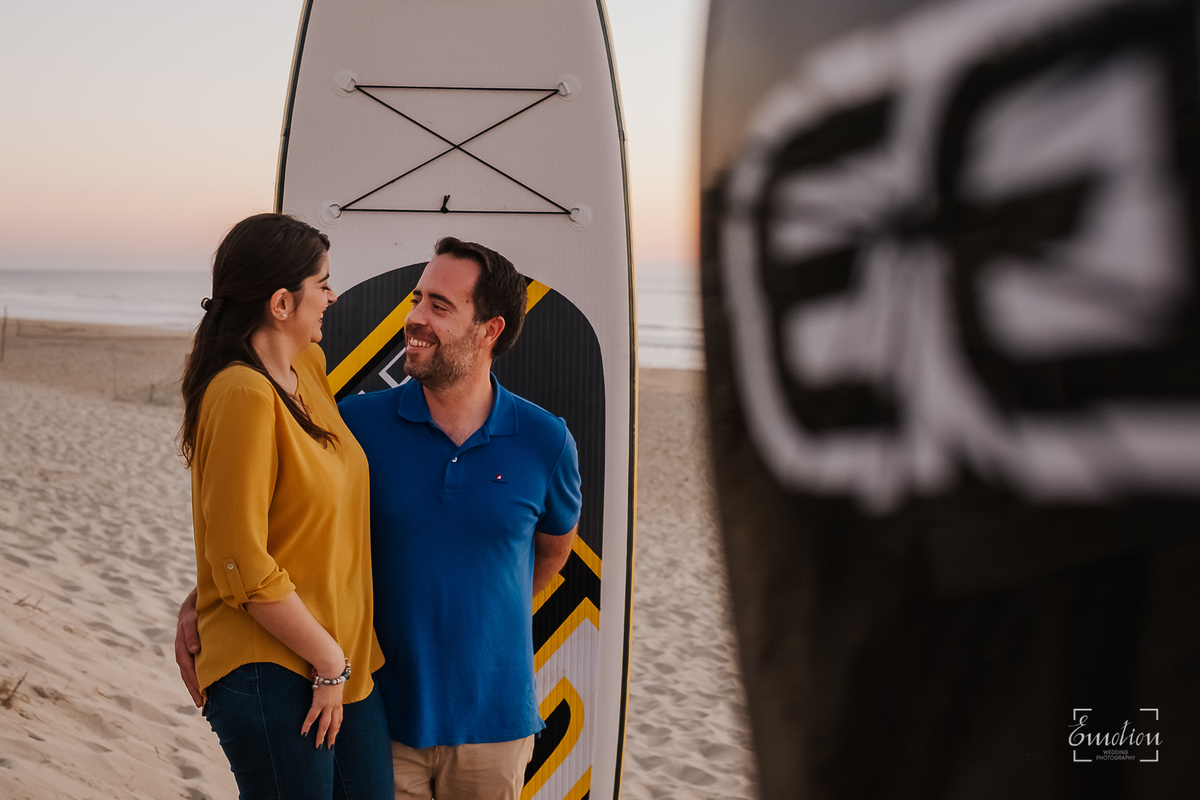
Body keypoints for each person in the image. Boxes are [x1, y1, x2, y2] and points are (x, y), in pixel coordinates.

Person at [177, 235, 581, 800]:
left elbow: (555, 550)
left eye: (439, 306)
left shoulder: (547, 440)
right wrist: (206, 597)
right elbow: (272, 519)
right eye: (418, 299)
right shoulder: (356, 426)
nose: (414, 317)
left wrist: (485, 617)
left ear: (489, 330)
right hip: (376, 706)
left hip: (493, 719)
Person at [176, 213, 391, 800]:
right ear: (280, 302)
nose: (332, 295)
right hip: (272, 668)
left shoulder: (308, 371)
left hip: (342, 663)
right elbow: (239, 553)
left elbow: (285, 527)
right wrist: (326, 660)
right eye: (322, 283)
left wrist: (203, 594)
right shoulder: (241, 392)